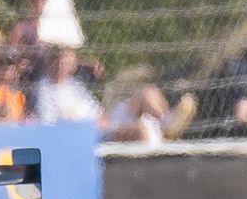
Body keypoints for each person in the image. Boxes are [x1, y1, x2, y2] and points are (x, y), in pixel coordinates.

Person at [31, 46, 195, 143]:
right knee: (142, 130)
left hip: (106, 120)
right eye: (56, 57)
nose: (61, 62)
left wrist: (103, 119)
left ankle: (168, 123)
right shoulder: (46, 90)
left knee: (148, 92)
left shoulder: (74, 84)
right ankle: (164, 143)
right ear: (48, 61)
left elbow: (98, 112)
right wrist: (89, 126)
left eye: (65, 56)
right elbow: (50, 128)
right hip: (93, 136)